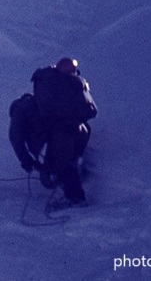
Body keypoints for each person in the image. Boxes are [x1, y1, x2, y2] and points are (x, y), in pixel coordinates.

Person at [25, 57, 97, 208]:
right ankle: (74, 194)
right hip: (77, 129)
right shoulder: (76, 83)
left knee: (63, 163)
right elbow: (91, 111)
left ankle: (74, 196)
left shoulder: (44, 81)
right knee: (68, 161)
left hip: (58, 130)